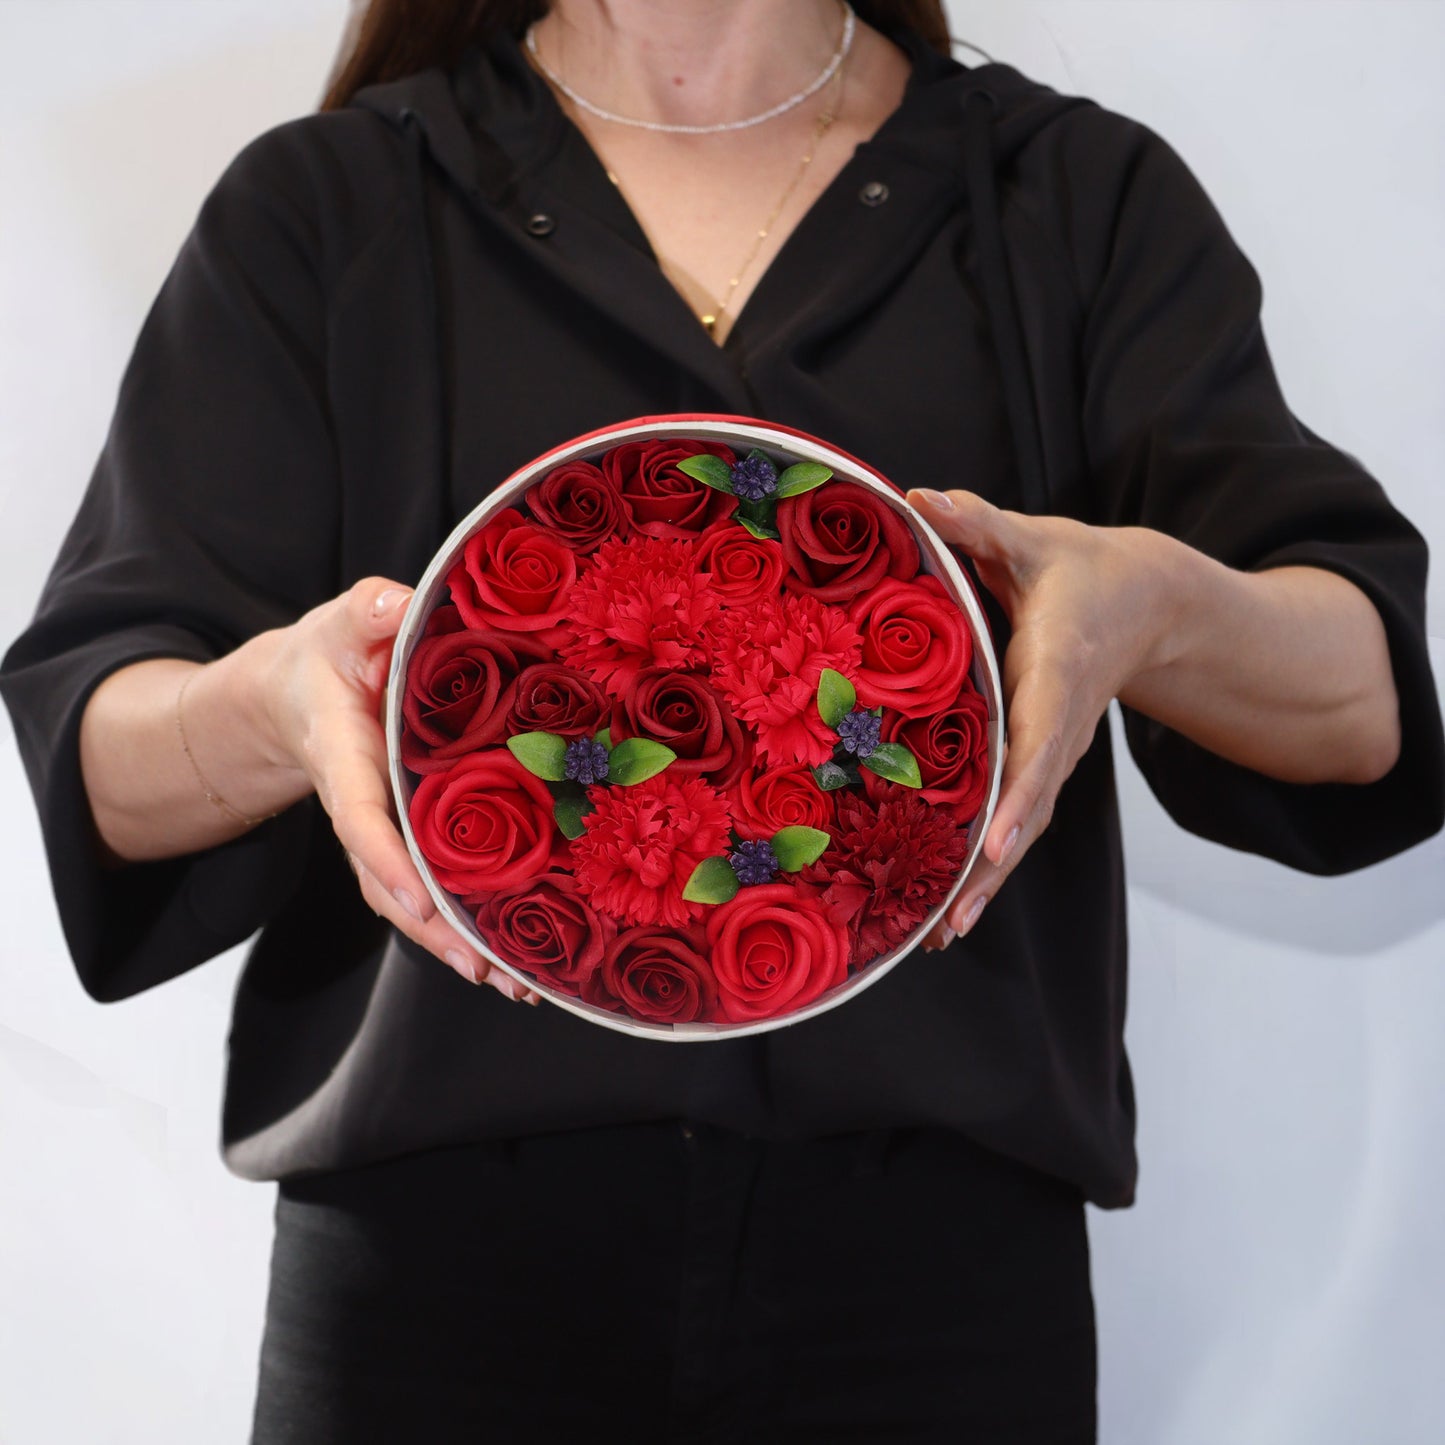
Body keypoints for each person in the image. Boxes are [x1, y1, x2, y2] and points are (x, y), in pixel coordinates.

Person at [2, 1, 1441, 1440]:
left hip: (935, 1304)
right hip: (434, 1299)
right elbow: (105, 741)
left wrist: (1157, 605)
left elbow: (1361, 698)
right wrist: (274, 705)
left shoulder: (1072, 199)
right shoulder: (326, 205)